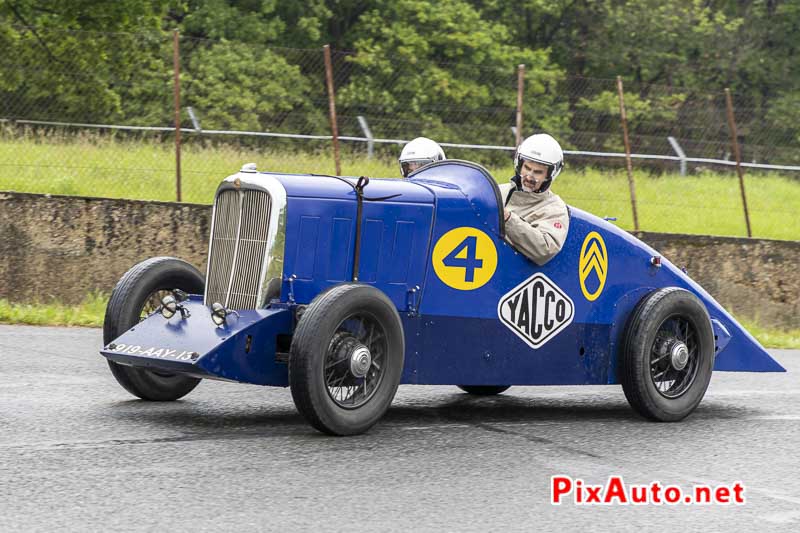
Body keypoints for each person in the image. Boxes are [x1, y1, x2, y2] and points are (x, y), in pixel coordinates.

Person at [499, 133, 569, 266]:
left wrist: (508, 219)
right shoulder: (496, 192)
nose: (529, 177)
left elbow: (545, 250)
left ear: (550, 175)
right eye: (527, 168)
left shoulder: (555, 209)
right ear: (519, 164)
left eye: (537, 172)